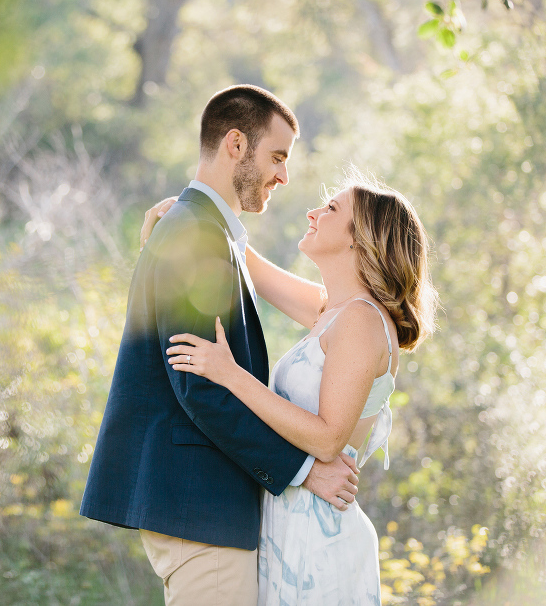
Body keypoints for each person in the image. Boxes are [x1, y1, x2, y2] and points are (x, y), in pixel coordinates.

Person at [79, 85, 361, 606]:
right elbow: (202, 389)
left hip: (208, 506)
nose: (284, 176)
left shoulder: (204, 232)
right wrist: (304, 472)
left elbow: (331, 310)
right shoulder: (194, 234)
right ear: (235, 144)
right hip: (200, 505)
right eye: (277, 157)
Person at [142, 172, 438, 604]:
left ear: (362, 239)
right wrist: (190, 217)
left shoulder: (360, 321)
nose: (313, 212)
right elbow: (250, 264)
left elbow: (327, 437)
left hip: (316, 538)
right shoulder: (333, 310)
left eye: (332, 208)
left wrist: (230, 374)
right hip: (290, 520)